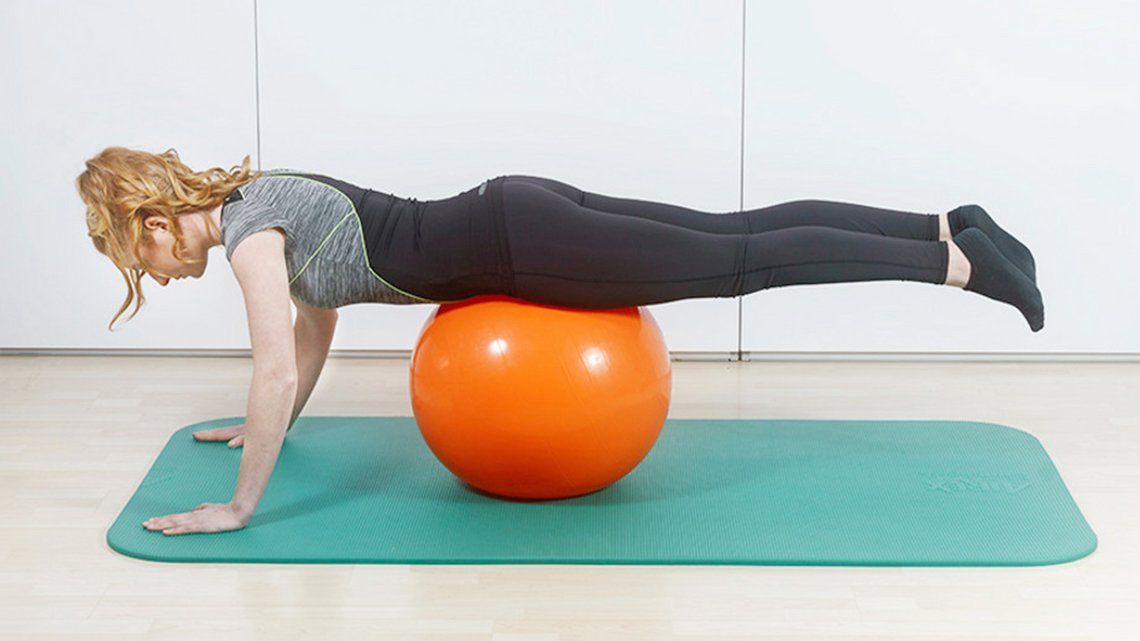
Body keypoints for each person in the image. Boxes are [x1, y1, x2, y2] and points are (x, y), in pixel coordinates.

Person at [78, 146, 1042, 536]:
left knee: (741, 260)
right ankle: (942, 226)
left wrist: (240, 508)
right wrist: (265, 429)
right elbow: (313, 330)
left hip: (523, 246)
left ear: (154, 222)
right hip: (521, 206)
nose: (150, 274)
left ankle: (957, 267)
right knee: (737, 228)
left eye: (135, 257)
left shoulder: (249, 242)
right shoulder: (262, 198)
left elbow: (275, 358)